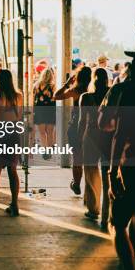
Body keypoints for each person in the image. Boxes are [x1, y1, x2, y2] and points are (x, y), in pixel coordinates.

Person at [99, 46, 135, 269]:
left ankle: (128, 268)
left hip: (130, 164)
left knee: (117, 223)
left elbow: (115, 132)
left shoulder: (126, 91)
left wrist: (112, 171)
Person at [0, 69, 24, 217]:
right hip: (13, 132)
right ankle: (14, 203)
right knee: (12, 170)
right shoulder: (18, 96)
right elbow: (19, 116)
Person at [78, 67, 112, 226]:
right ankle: (106, 215)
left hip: (90, 135)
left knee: (91, 173)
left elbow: (81, 121)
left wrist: (78, 141)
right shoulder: (111, 94)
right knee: (107, 176)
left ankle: (93, 209)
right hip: (108, 136)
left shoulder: (86, 97)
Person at [54, 66, 92, 196]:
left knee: (77, 158)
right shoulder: (94, 91)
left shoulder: (75, 90)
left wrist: (67, 83)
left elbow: (56, 96)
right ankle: (90, 186)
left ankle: (76, 183)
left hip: (76, 126)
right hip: (92, 126)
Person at [33, 67, 56, 160]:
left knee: (42, 132)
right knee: (50, 132)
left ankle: (45, 150)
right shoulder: (53, 86)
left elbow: (33, 99)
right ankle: (49, 150)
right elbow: (55, 98)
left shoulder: (36, 85)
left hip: (39, 110)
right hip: (50, 110)